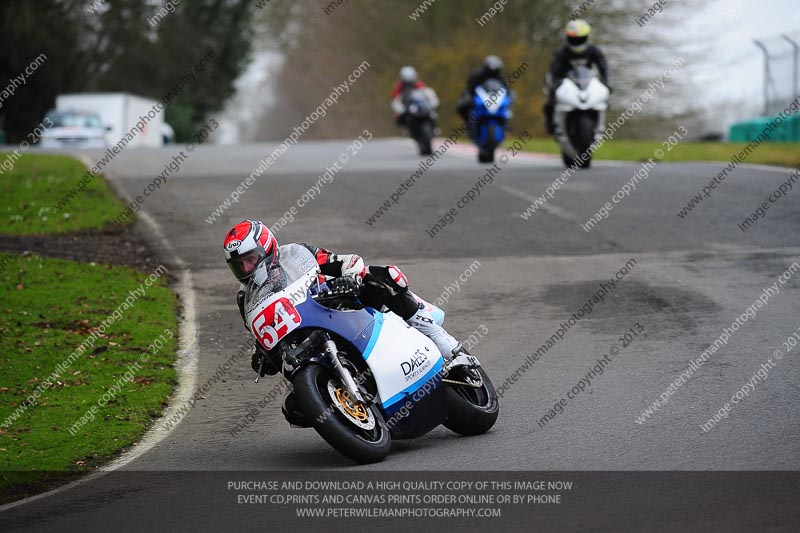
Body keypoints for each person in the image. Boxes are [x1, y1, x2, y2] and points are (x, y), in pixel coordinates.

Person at [223, 220, 469, 423]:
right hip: (305, 342)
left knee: (383, 278)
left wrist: (349, 273)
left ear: (267, 248)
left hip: (337, 306)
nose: (246, 268)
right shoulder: (246, 298)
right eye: (238, 265)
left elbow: (339, 261)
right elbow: (263, 333)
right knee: (296, 408)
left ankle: (444, 343)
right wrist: (262, 355)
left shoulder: (295, 255)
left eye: (250, 259)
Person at [543, 19, 610, 134]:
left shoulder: (594, 51)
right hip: (567, 84)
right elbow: (554, 72)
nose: (577, 42)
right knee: (549, 103)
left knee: (605, 97)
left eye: (580, 39)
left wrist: (607, 83)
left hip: (586, 83)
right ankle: (551, 125)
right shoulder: (561, 52)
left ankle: (599, 125)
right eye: (574, 39)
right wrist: (553, 87)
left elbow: (603, 68)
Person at [457, 55, 507, 123]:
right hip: (480, 100)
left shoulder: (500, 78)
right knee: (463, 106)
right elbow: (469, 89)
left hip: (494, 102)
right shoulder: (476, 76)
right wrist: (469, 96)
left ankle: (506, 128)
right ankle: (469, 125)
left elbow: (506, 90)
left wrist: (510, 95)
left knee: (507, 111)